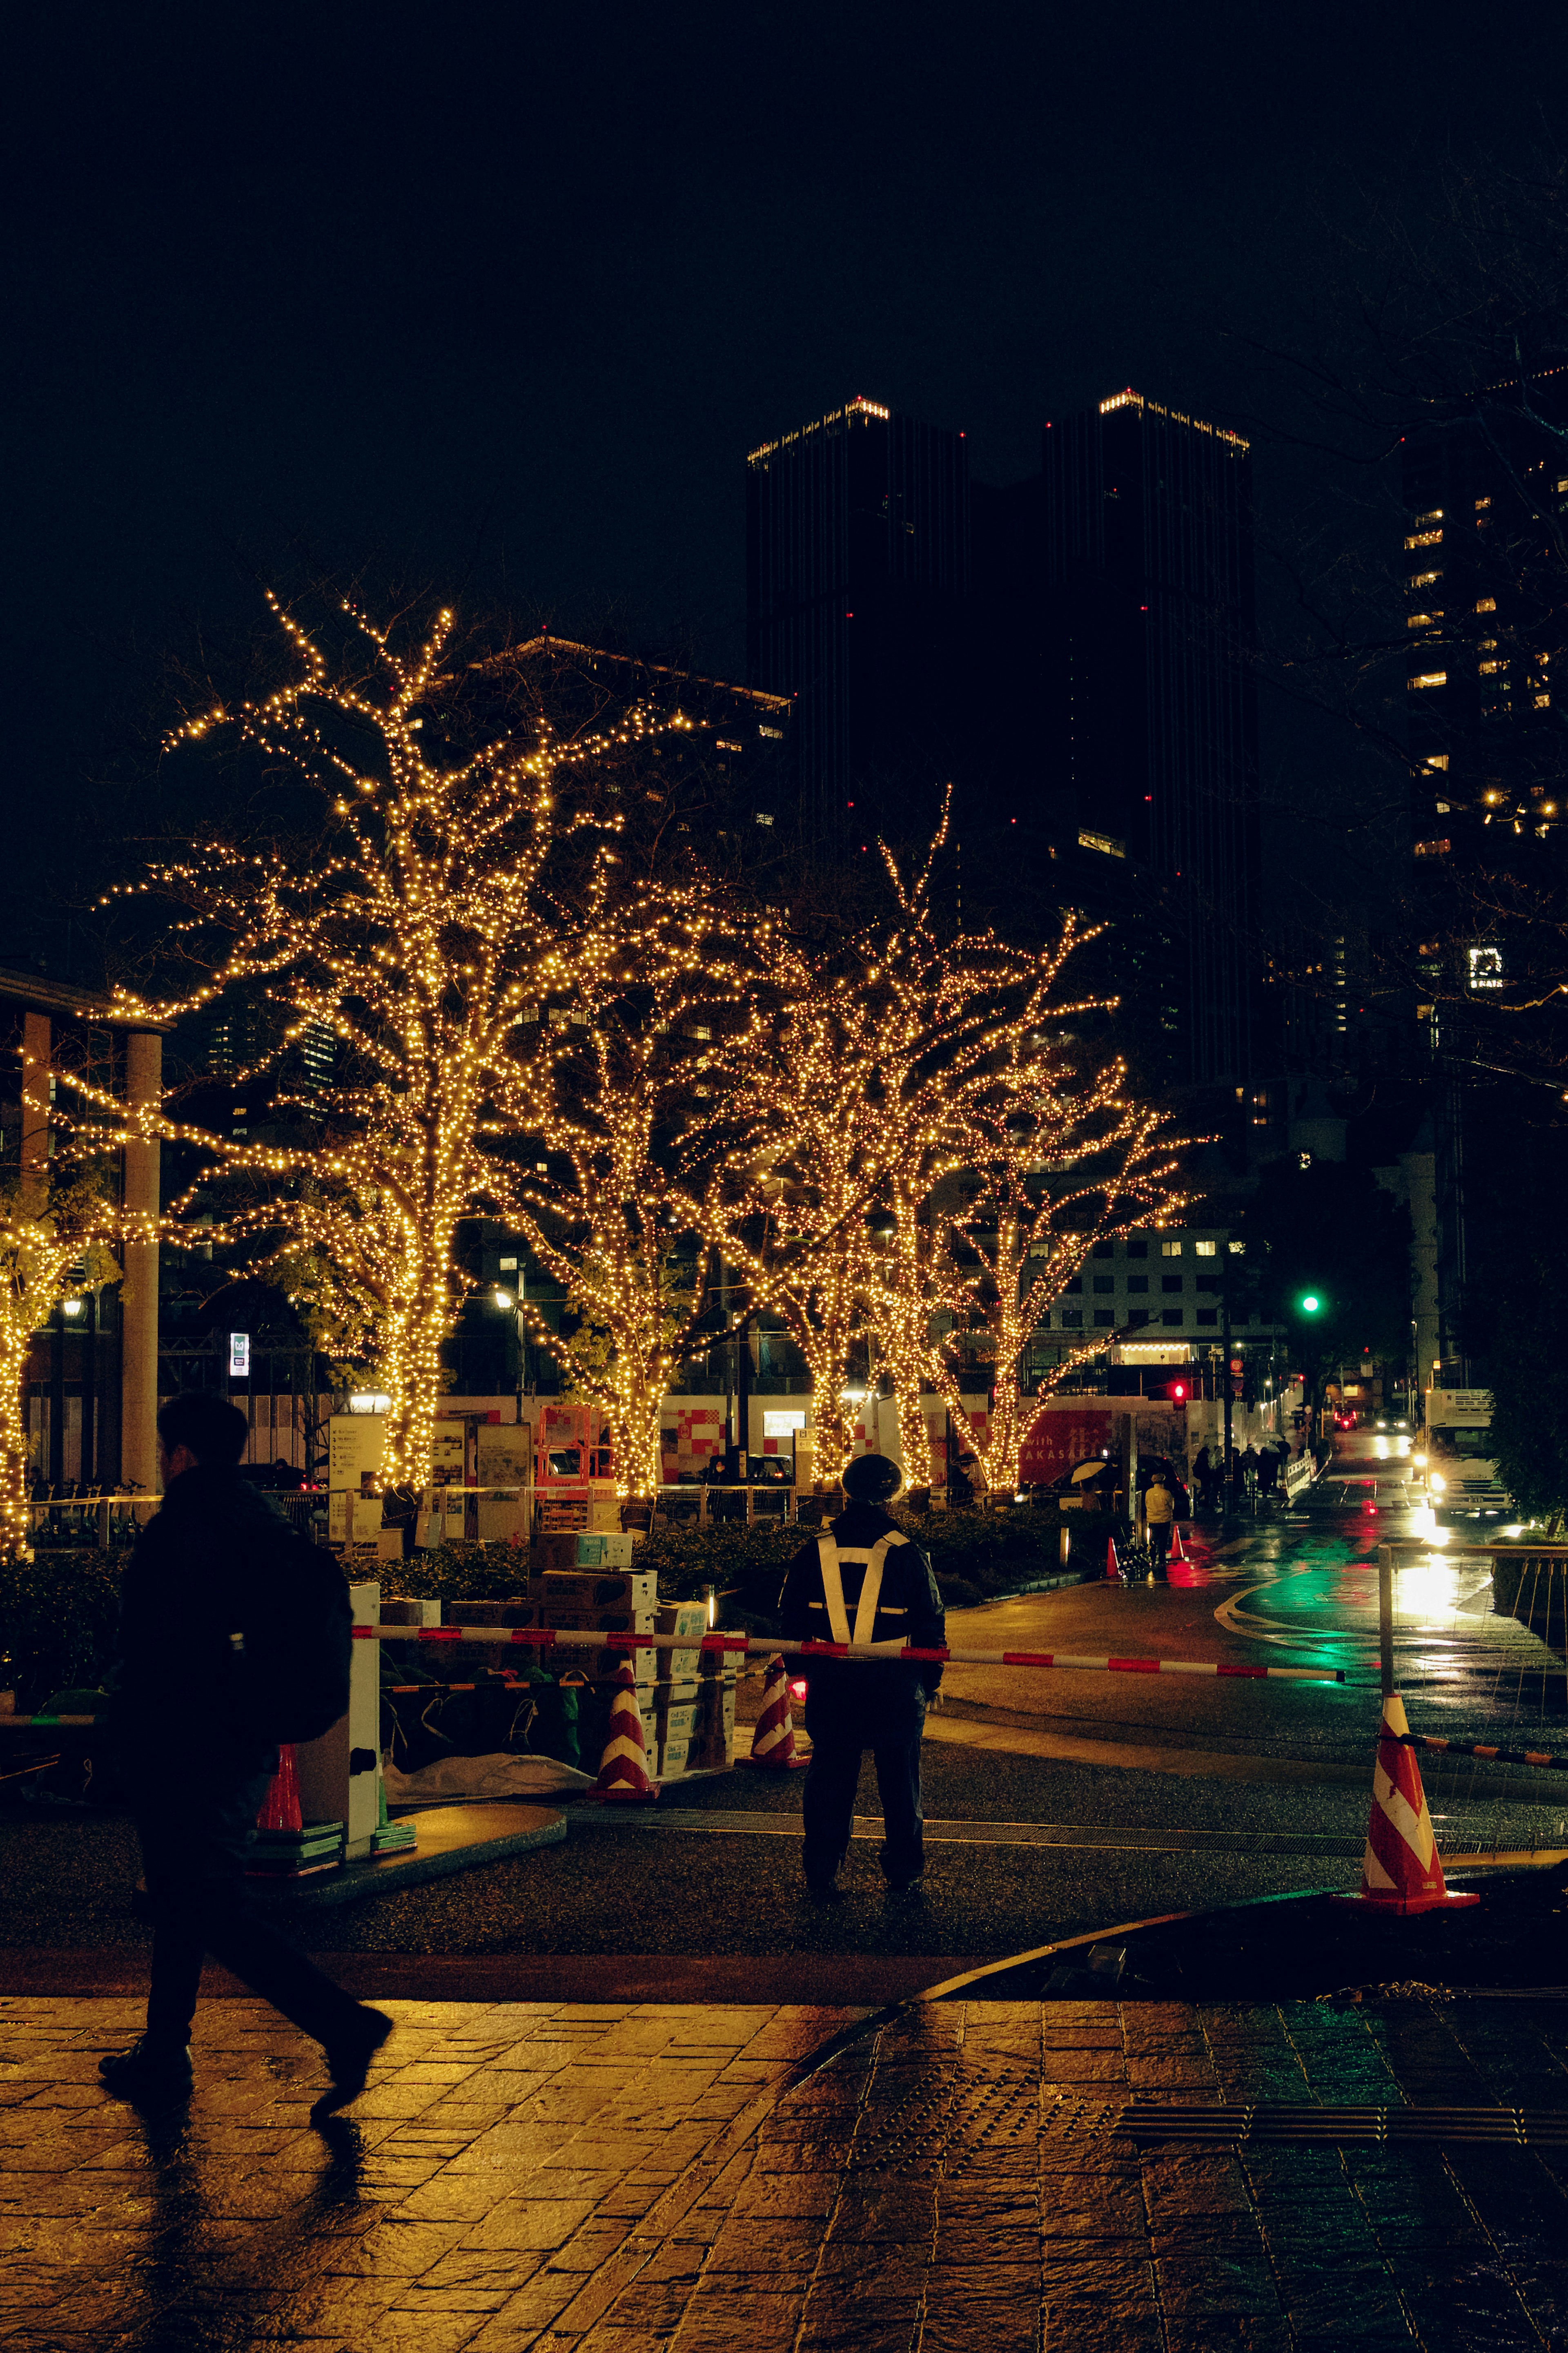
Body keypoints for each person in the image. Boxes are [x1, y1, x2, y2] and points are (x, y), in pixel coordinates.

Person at [98, 1392, 392, 2114]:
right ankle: (164, 2052)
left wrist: (126, 1733)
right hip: (247, 1736)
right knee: (184, 1894)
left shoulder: (182, 1530)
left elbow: (152, 1649)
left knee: (207, 1903)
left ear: (181, 1453)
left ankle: (344, 2025)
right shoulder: (259, 1519)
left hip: (186, 1744)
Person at [777, 1452, 946, 1897]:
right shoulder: (907, 1552)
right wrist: (932, 1681)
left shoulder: (814, 1548)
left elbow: (790, 1617)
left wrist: (800, 1670)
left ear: (847, 1490)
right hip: (894, 1682)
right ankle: (904, 1871)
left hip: (833, 1682)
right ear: (892, 1495)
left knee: (830, 1776)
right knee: (900, 1780)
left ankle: (822, 1868)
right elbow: (930, 1624)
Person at [1143, 1469, 1176, 1574]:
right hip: (1164, 1520)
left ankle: (1152, 1557)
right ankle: (1161, 1559)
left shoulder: (1149, 1493)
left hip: (1152, 1520)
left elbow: (1146, 1504)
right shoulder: (1166, 1493)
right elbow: (1172, 1506)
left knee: (1153, 1539)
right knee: (1163, 1541)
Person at [1192, 1443, 1214, 1513]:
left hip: (1203, 1476)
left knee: (1205, 1489)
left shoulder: (1200, 1457)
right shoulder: (1204, 1458)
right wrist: (1210, 1473)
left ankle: (1198, 1500)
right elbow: (1205, 1468)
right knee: (1206, 1489)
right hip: (1205, 1476)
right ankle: (1199, 1500)